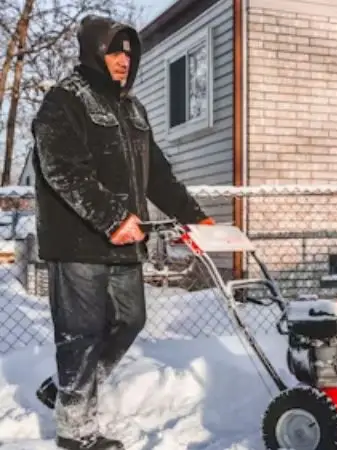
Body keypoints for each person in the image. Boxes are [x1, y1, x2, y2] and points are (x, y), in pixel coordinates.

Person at [30, 14, 214, 450]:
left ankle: (68, 393)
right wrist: (112, 217)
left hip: (125, 241)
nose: (125, 61)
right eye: (115, 51)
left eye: (130, 53)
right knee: (81, 332)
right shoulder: (64, 101)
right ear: (94, 50)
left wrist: (195, 216)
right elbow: (63, 170)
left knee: (131, 319)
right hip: (78, 241)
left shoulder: (133, 109)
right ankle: (75, 433)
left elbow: (159, 176)